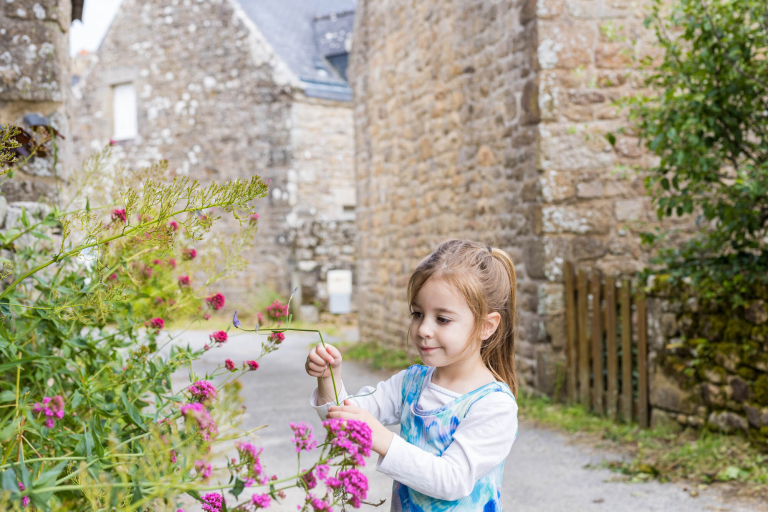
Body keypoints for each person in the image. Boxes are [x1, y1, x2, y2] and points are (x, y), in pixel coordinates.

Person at [305, 239, 519, 511]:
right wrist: (327, 379)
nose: (423, 329)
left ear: (487, 326)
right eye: (417, 313)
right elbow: (343, 419)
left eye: (442, 319)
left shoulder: (493, 405)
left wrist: (383, 439)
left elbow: (452, 480)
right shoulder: (411, 384)